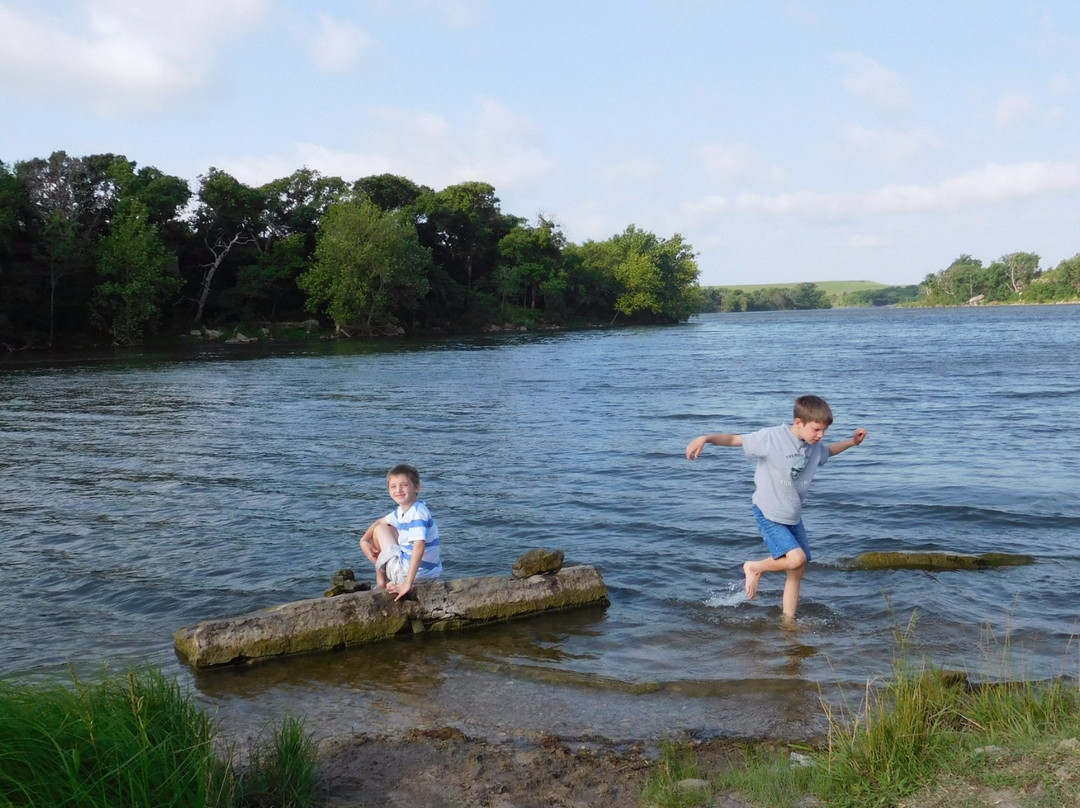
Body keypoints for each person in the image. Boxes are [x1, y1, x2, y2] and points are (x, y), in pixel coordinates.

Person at [685, 395, 867, 621]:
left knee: (797, 570)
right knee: (796, 558)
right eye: (817, 430)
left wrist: (852, 442)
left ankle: (788, 621)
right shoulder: (772, 438)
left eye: (824, 431)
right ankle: (754, 567)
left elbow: (828, 451)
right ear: (799, 422)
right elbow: (735, 439)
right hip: (769, 512)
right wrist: (705, 438)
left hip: (792, 515)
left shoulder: (814, 446)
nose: (821, 436)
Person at [358, 463, 443, 601]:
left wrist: (406, 584)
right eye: (393, 486)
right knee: (386, 527)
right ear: (389, 490)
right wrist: (363, 541)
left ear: (416, 487)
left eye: (404, 485)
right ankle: (387, 579)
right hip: (430, 574)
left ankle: (381, 582)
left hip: (409, 575)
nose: (398, 490)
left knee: (380, 531)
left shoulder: (416, 513)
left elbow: (419, 546)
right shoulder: (406, 511)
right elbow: (380, 521)